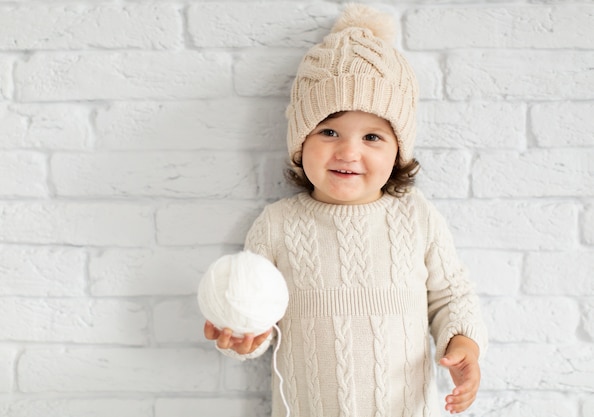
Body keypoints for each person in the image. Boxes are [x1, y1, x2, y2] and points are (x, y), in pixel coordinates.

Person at [203, 3, 487, 416]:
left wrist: (463, 344)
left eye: (372, 136)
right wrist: (246, 334)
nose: (348, 152)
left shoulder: (416, 217)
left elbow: (450, 296)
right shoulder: (278, 225)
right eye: (329, 131)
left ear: (398, 151)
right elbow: (255, 307)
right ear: (301, 141)